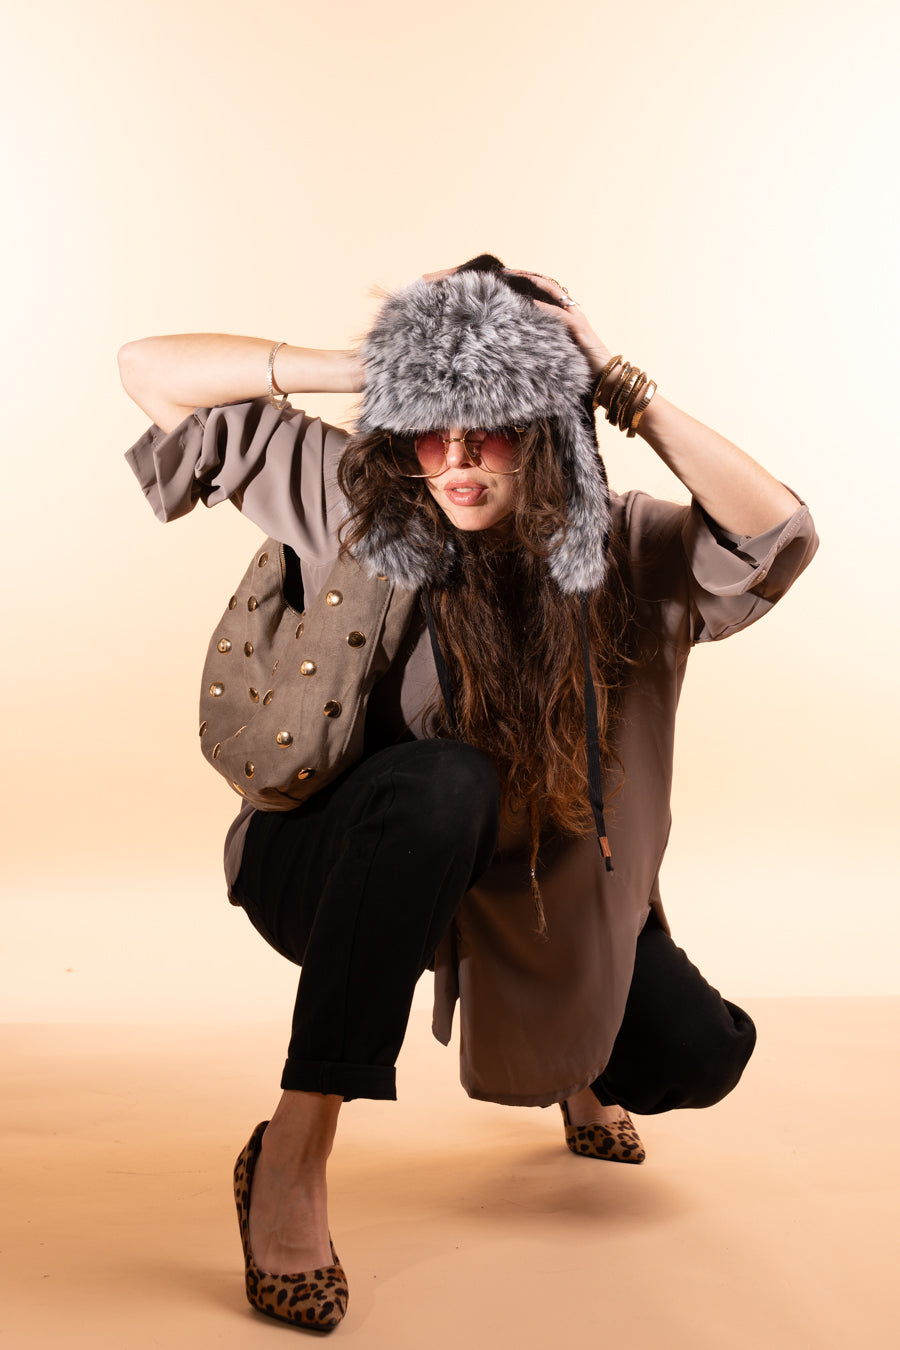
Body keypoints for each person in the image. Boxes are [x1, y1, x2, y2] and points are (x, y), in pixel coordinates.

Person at [119, 254, 818, 1332]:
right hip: (338, 865)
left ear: (544, 428)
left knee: (699, 1054)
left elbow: (775, 536)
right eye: (429, 425)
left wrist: (613, 379)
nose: (452, 458)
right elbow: (149, 370)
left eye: (486, 424)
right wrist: (371, 367)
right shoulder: (355, 496)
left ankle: (577, 1063)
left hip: (530, 898)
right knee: (449, 783)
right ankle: (292, 1154)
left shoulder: (621, 545)